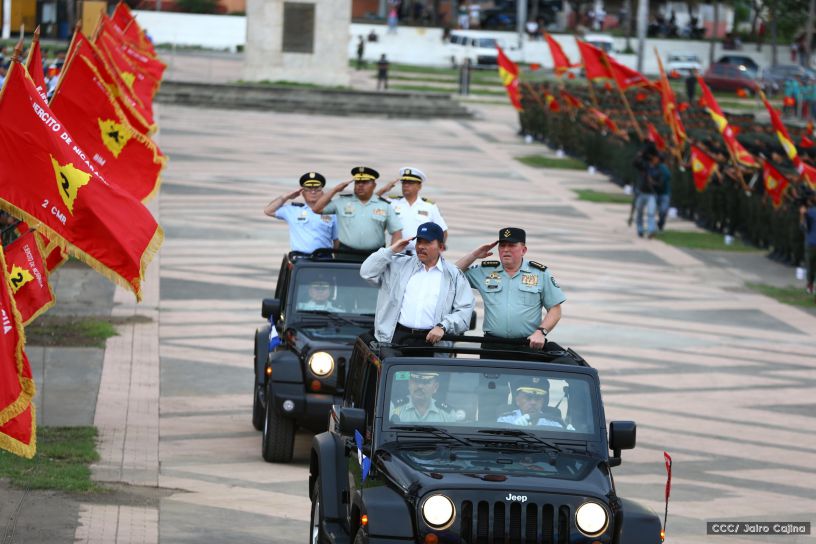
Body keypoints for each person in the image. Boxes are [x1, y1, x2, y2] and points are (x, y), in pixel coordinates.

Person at [360, 222, 474, 345]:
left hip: (433, 342)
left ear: (441, 247)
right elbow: (366, 272)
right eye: (419, 241)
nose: (421, 246)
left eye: (427, 242)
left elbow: (464, 310)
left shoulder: (454, 275)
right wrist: (391, 250)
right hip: (396, 338)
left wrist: (443, 326)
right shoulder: (398, 264)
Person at [456, 228, 566, 352]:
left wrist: (541, 332)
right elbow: (452, 274)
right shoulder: (485, 271)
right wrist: (474, 255)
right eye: (502, 246)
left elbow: (555, 310)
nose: (506, 250)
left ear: (523, 250)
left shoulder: (540, 273)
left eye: (512, 245)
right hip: (493, 345)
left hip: (528, 344)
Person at [312, 166, 402, 253]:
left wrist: (391, 254)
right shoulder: (341, 202)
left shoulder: (384, 206)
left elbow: (397, 232)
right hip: (346, 253)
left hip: (374, 255)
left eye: (365, 182)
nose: (360, 185)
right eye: (357, 182)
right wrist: (335, 189)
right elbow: (317, 209)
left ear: (374, 185)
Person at [376, 167, 448, 254]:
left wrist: (437, 252)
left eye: (410, 183)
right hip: (396, 254)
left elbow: (443, 231)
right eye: (404, 183)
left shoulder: (429, 206)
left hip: (420, 255)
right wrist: (384, 190)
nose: (406, 185)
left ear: (419, 186)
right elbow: (370, 203)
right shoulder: (392, 203)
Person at [263, 172, 338, 253]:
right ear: (303, 193)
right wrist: (285, 197)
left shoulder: (332, 212)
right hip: (300, 259)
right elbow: (268, 211)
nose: (313, 192)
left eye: (317, 189)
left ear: (322, 192)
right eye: (308, 189)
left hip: (324, 259)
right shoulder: (293, 210)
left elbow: (337, 240)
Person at [390, 372, 457, 423]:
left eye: (426, 382)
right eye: (416, 381)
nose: (420, 386)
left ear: (435, 387)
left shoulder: (447, 414)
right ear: (409, 384)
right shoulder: (393, 408)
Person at [497, 379, 564, 428]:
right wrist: (515, 428)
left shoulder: (553, 424)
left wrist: (569, 431)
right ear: (517, 400)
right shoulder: (506, 420)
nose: (533, 402)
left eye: (538, 398)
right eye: (528, 398)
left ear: (543, 402)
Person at [634, 151, 662, 238]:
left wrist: (652, 182)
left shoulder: (658, 170)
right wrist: (639, 156)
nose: (656, 160)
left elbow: (659, 184)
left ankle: (651, 230)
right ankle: (640, 229)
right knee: (639, 212)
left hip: (651, 194)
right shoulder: (644, 166)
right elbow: (635, 164)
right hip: (641, 192)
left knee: (651, 212)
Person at [801, 192, 816, 297]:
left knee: (810, 266)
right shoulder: (810, 212)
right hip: (812, 241)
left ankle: (810, 285)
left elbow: (803, 228)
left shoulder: (810, 212)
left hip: (811, 242)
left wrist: (802, 215)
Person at [655, 154, 672, 231]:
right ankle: (660, 223)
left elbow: (668, 176)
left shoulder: (662, 168)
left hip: (664, 193)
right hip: (660, 193)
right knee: (662, 210)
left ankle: (661, 223)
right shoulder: (657, 167)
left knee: (662, 210)